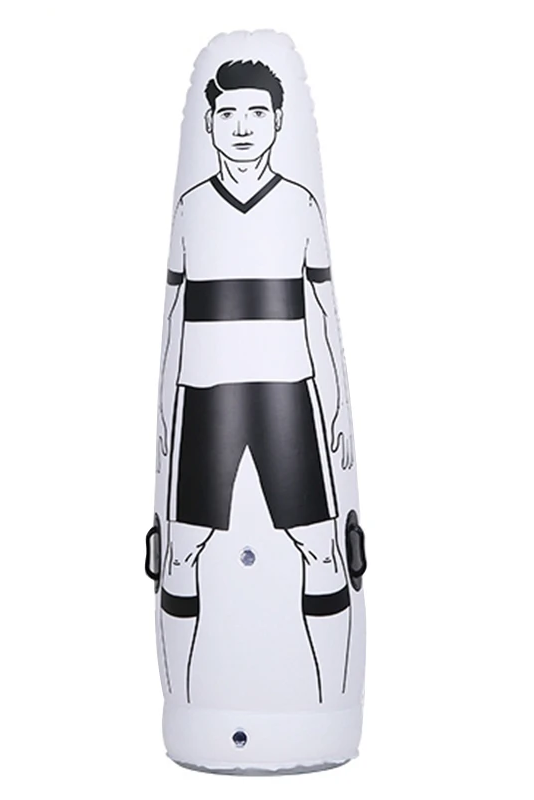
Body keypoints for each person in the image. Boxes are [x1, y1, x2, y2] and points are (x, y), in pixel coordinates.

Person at [157, 59, 355, 704]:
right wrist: (164, 413)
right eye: (228, 114)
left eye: (257, 113)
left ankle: (327, 705)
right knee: (180, 552)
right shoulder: (192, 208)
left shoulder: (299, 205)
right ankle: (186, 703)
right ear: (208, 125)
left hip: (287, 395)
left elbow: (322, 312)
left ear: (278, 122)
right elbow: (174, 315)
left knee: (322, 549)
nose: (242, 127)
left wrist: (335, 406)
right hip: (204, 400)